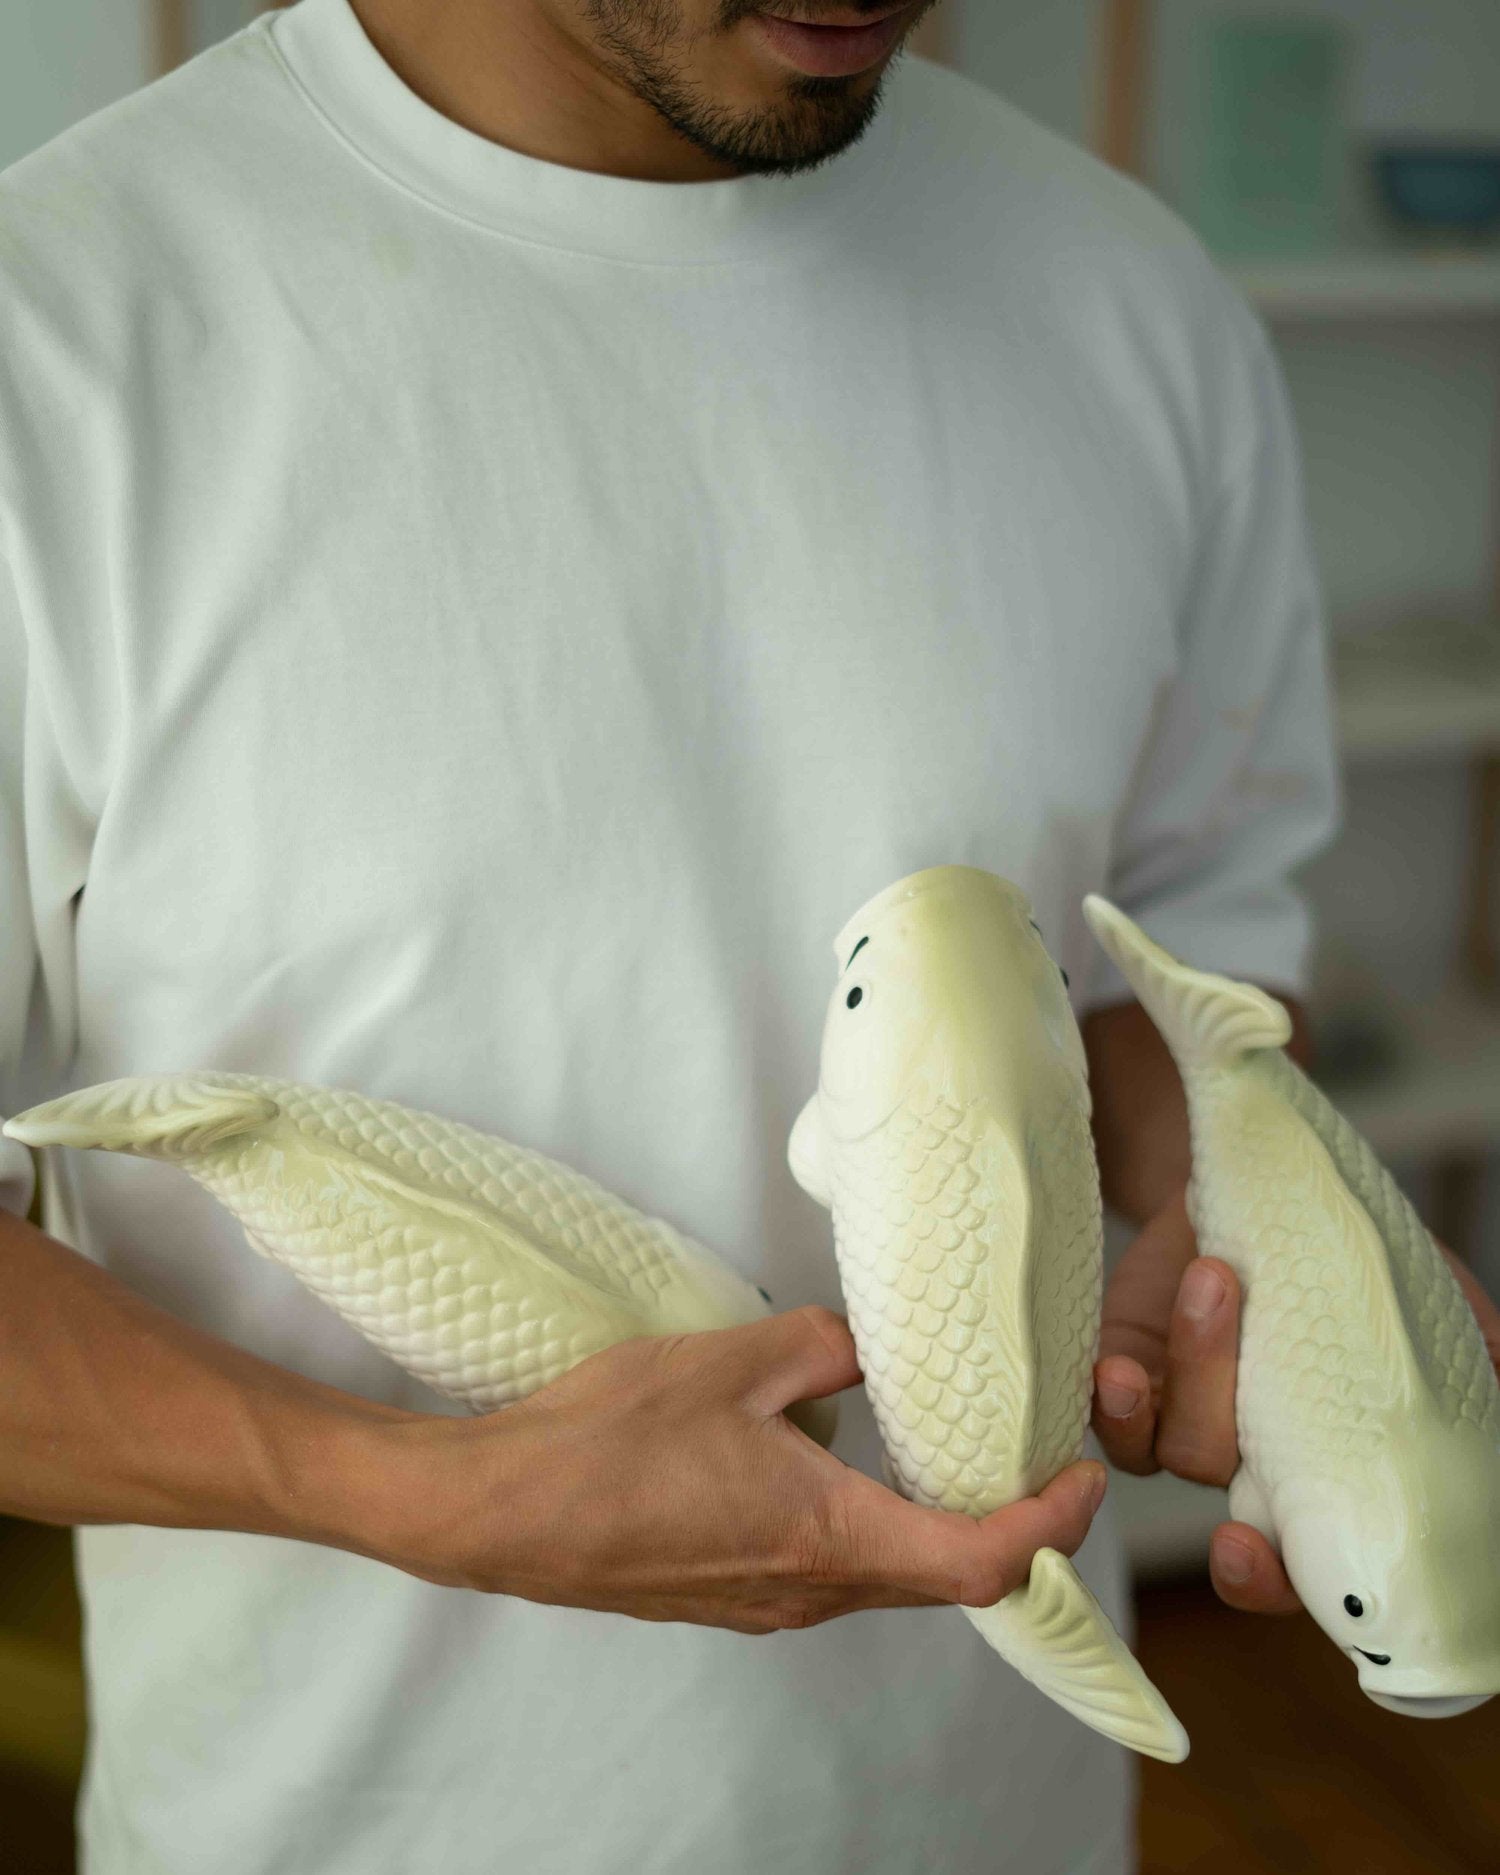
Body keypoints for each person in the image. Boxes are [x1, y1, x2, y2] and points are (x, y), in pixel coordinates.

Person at [2, 2, 1495, 1871]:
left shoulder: (1135, 305)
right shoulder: (57, 342)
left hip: (1000, 1817)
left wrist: (1272, 1243)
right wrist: (419, 1494)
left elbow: (1177, 964)